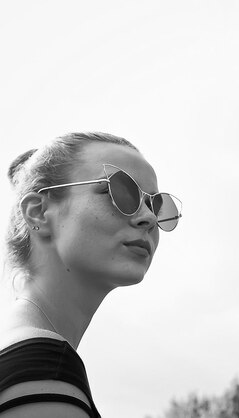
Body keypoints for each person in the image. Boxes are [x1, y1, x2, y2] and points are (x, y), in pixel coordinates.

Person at [0, 132, 182, 417]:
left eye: (156, 204)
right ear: (38, 211)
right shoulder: (45, 372)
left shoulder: (21, 356)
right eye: (120, 190)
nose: (147, 217)